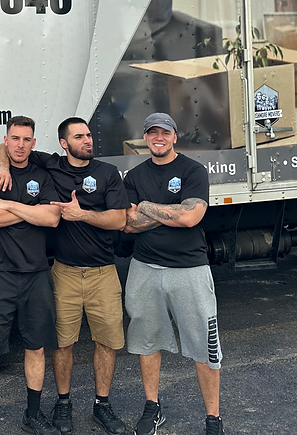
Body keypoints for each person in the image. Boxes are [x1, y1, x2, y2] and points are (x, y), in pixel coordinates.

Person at [0, 118, 129, 435]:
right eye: (79, 136)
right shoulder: (50, 164)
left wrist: (81, 214)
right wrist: (1, 167)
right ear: (63, 144)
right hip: (64, 272)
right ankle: (63, 402)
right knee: (63, 343)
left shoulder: (107, 173)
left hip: (103, 273)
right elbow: (7, 147)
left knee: (107, 342)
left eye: (89, 135)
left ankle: (102, 405)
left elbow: (120, 219)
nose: (88, 140)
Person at [123, 112, 224, 435]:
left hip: (189, 270)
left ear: (174, 137)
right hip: (145, 268)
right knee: (147, 340)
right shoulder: (134, 176)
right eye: (152, 133)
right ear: (145, 138)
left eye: (164, 133)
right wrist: (170, 209)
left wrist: (146, 207)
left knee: (204, 346)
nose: (159, 138)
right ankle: (152, 407)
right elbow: (127, 223)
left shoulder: (193, 171)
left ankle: (213, 419)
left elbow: (190, 217)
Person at [0, 116, 61, 435]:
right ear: (5, 140)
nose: (20, 144)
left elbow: (51, 218)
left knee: (36, 348)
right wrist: (28, 211)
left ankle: (32, 416)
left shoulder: (42, 171)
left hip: (36, 274)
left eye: (26, 139)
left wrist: (6, 205)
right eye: (15, 138)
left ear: (34, 143)